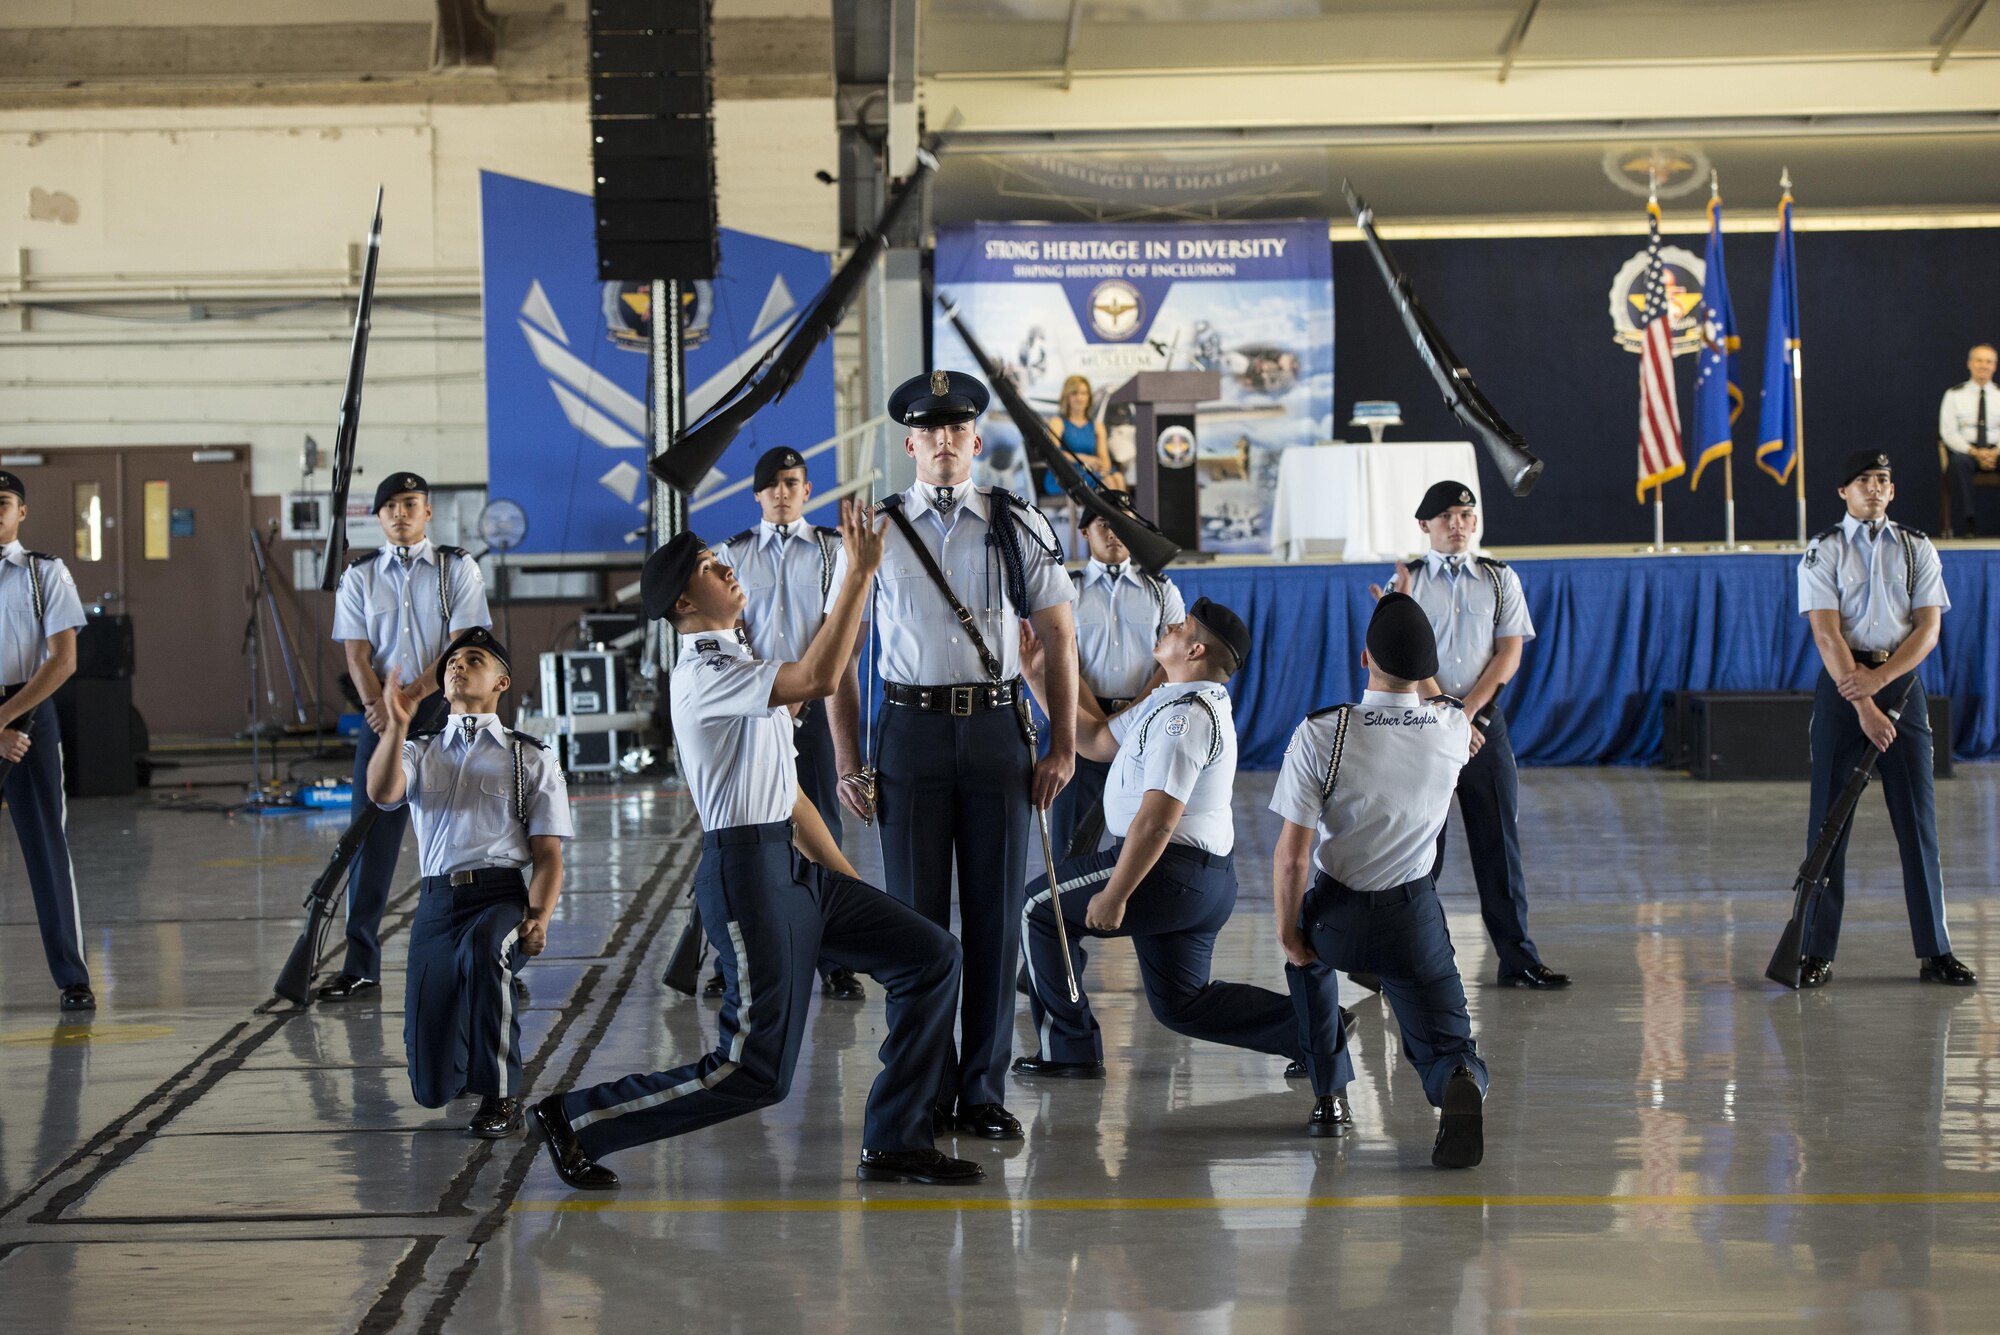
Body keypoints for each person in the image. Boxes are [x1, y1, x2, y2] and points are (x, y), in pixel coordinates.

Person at [536, 514, 977, 1189]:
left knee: (930, 955)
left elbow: (792, 795)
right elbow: (824, 676)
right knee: (755, 1071)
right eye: (711, 568)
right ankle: (578, 1118)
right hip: (747, 875)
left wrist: (848, 885)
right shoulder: (704, 669)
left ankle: (896, 1138)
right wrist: (857, 572)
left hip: (792, 868)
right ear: (684, 603)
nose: (728, 569)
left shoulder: (741, 660)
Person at [827, 369, 1080, 1143]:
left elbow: (1060, 634)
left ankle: (983, 1088)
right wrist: (846, 758)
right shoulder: (876, 531)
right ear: (909, 443)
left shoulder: (1019, 524)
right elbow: (842, 654)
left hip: (999, 732)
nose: (943, 440)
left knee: (998, 920)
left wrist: (1065, 739)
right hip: (909, 734)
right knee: (916, 922)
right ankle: (925, 1087)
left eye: (957, 428)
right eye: (929, 429)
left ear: (976, 440)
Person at [1012, 598, 1352, 1136]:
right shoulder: (1169, 700)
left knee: (1038, 906)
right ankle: (1310, 1028)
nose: (1169, 626)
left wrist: (1116, 893)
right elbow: (1097, 741)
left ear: (1194, 649)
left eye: (1181, 626)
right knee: (1181, 1004)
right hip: (1197, 880)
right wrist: (1036, 679)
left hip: (1166, 871)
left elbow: (1156, 821)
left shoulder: (1184, 718)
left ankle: (1069, 1050)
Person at [1269, 592, 1489, 1169]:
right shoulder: (1452, 727)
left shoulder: (1324, 733)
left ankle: (1329, 1096)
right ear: (1428, 665)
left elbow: (1291, 858)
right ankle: (1456, 1079)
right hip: (1410, 919)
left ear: (1363, 658)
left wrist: (1291, 937)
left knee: (1308, 965)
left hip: (1336, 917)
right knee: (1446, 1040)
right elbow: (1439, 702)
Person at [368, 627, 569, 1137]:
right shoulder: (419, 751)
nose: (457, 665)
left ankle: (501, 1094)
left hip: (498, 898)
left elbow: (548, 857)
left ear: (502, 682)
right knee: (431, 1090)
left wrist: (538, 917)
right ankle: (460, 1058)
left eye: (473, 659)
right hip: (436, 903)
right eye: (451, 660)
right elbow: (383, 793)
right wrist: (395, 727)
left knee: (486, 950)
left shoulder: (530, 757)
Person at [1791, 449, 1976, 988]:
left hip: (1900, 686)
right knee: (1828, 825)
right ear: (1842, 492)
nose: (1875, 488)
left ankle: (1935, 951)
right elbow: (1826, 633)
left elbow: (1928, 630)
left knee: (1918, 821)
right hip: (1844, 688)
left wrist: (1880, 683)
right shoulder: (1822, 549)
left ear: (1892, 491)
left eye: (1883, 480)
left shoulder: (1917, 548)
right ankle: (1813, 951)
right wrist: (1862, 701)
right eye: (1864, 480)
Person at [1374, 481, 1569, 989]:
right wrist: (1446, 712)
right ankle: (1404, 957)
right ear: (1425, 526)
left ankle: (1518, 957)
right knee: (1419, 846)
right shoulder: (1407, 582)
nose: (1458, 525)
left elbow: (1509, 651)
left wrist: (1469, 714)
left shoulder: (1499, 579)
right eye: (1446, 517)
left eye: (1466, 514)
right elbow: (1404, 655)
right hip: (1423, 725)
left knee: (1498, 844)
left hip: (1482, 723)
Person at [703, 445, 865, 1003]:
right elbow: (728, 628)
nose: (781, 492)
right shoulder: (732, 553)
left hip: (816, 705)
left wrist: (802, 690)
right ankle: (731, 960)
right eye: (771, 484)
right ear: (756, 494)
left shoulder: (834, 549)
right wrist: (773, 690)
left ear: (807, 490)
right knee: (742, 833)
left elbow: (845, 627)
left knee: (821, 829)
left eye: (792, 482)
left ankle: (836, 958)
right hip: (749, 704)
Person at [324, 472, 492, 1002]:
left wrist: (414, 697)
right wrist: (379, 707)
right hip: (383, 720)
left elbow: (462, 645)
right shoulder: (360, 576)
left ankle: (481, 960)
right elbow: (355, 653)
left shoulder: (455, 568)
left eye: (411, 504)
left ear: (428, 512)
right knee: (368, 841)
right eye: (391, 505)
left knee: (463, 843)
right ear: (377, 516)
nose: (401, 513)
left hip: (445, 712)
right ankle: (361, 964)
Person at [0, 471, 94, 1011]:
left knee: (46, 849)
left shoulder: (44, 573)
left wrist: (7, 721)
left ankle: (72, 977)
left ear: (22, 512)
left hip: (29, 717)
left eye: (4, 502)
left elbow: (63, 660)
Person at [1051, 489, 1185, 859]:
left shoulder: (1160, 590)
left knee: (1140, 841)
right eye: (1104, 524)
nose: (1114, 534)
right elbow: (1060, 659)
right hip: (1081, 724)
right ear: (1084, 533)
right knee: (1072, 844)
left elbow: (1173, 664)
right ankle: (1069, 915)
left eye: (1123, 526)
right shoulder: (1066, 589)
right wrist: (1099, 723)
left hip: (1146, 724)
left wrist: (1128, 717)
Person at [1938, 343, 2000, 536]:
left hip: (1996, 451)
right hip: (1967, 452)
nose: (1984, 365)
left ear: (1995, 366)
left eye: (1988, 361)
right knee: (1957, 463)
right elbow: (1947, 432)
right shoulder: (1954, 395)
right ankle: (1969, 520)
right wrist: (1975, 452)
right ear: (1970, 363)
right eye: (1979, 360)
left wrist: (1995, 452)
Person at [1042, 375, 1119, 495]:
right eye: (1075, 393)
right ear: (1067, 397)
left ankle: (1124, 514)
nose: (1080, 398)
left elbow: (1105, 460)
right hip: (1064, 477)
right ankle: (1112, 513)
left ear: (1089, 397)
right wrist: (1087, 459)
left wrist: (1102, 466)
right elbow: (1054, 454)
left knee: (1118, 477)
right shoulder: (1058, 422)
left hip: (1091, 472)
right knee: (1108, 482)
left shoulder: (1097, 426)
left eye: (1084, 393)